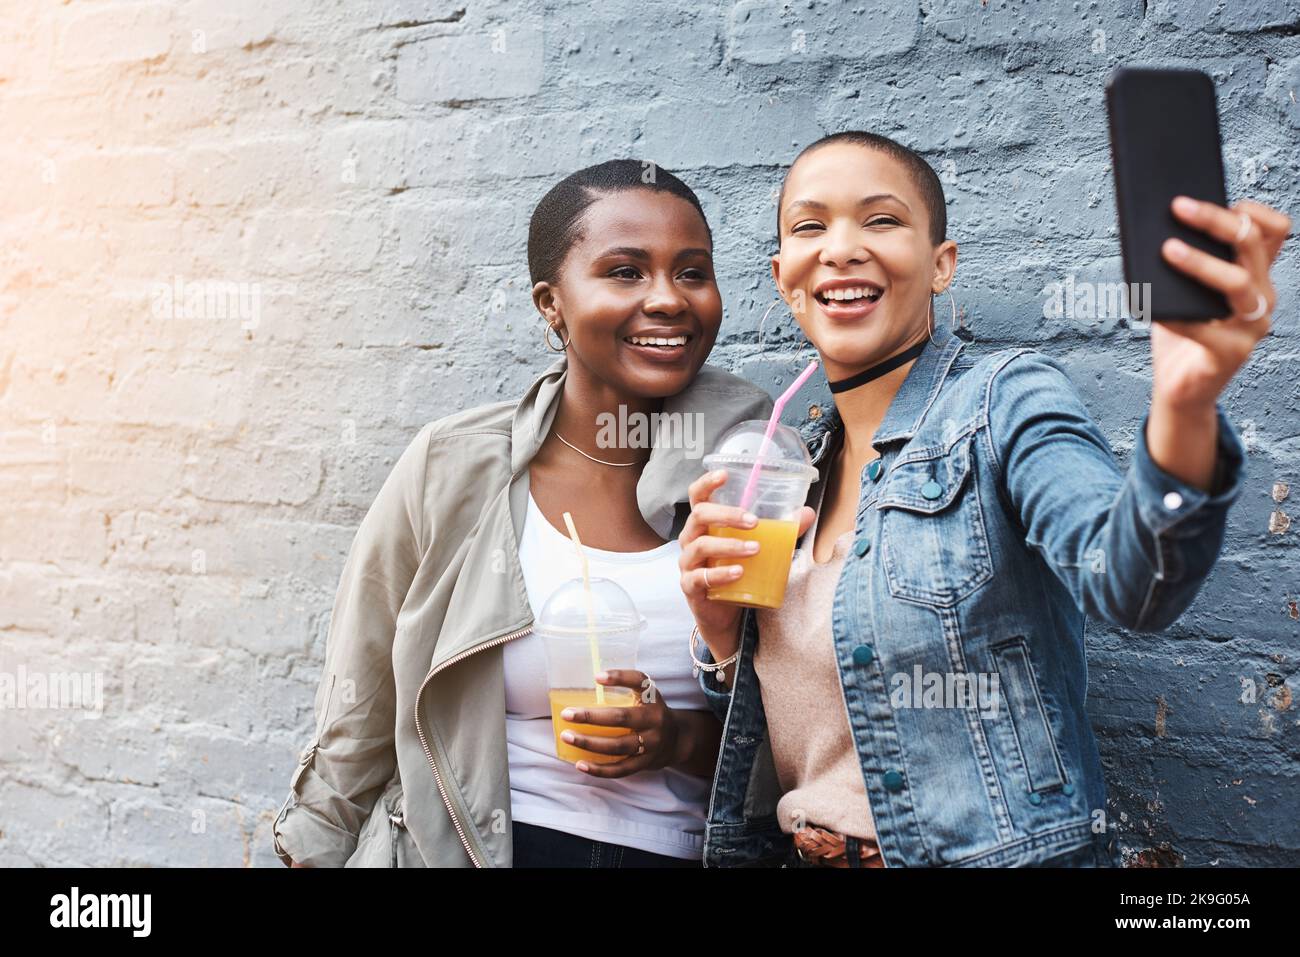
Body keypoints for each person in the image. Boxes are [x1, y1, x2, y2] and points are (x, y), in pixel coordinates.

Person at [678, 131, 1289, 867]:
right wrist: (721, 639)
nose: (840, 248)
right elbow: (797, 739)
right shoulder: (792, 468)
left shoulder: (1006, 400)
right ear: (784, 276)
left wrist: (1186, 406)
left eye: (880, 220)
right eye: (811, 226)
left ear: (942, 265)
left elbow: (1132, 584)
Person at [272, 159, 774, 867]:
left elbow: (797, 726)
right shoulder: (453, 468)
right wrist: (308, 848)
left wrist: (674, 739)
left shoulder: (759, 476)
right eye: (625, 271)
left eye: (692, 272)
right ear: (552, 303)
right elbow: (362, 696)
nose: (668, 298)